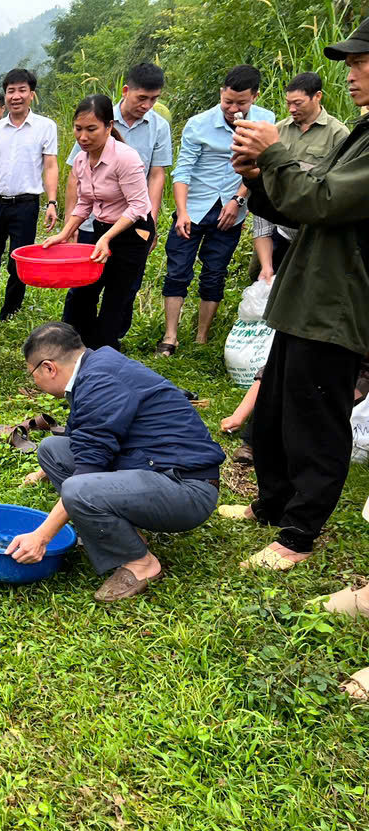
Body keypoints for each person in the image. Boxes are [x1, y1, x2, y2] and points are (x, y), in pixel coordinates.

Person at [222, 20, 369, 570]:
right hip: (306, 291)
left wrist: (277, 152)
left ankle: (299, 534)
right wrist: (260, 178)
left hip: (337, 303)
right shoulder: (361, 131)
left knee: (315, 420)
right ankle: (273, 504)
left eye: (359, 62)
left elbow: (324, 201)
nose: (350, 73)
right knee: (280, 409)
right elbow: (299, 206)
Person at [8, 324, 224, 601]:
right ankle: (121, 535)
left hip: (186, 488)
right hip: (149, 466)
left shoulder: (100, 383)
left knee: (78, 489)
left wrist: (40, 537)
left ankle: (141, 563)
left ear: (49, 368)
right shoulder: (95, 367)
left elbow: (87, 472)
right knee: (52, 449)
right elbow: (86, 439)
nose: (34, 382)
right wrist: (44, 471)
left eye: (32, 373)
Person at [158, 65, 276, 355]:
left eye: (241, 103)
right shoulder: (199, 124)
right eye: (228, 101)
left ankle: (201, 337)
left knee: (215, 272)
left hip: (233, 211)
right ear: (221, 93)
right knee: (178, 271)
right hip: (195, 207)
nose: (233, 108)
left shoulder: (266, 122)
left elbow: (260, 168)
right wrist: (182, 212)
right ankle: (170, 336)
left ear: (255, 97)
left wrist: (237, 200)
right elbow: (183, 170)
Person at [43, 95, 156, 350]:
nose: (83, 137)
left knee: (115, 296)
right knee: (82, 291)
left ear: (108, 126)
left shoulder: (125, 158)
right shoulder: (82, 160)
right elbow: (85, 203)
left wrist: (106, 238)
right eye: (78, 128)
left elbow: (138, 205)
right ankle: (71, 348)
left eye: (91, 129)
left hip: (132, 232)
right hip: (102, 228)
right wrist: (65, 233)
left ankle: (104, 353)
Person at [62, 62, 172, 316]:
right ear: (125, 90)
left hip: (131, 220)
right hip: (93, 222)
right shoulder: (95, 116)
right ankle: (78, 339)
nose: (146, 105)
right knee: (83, 287)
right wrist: (70, 225)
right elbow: (76, 178)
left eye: (153, 99)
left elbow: (156, 176)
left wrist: (150, 221)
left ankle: (110, 341)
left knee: (123, 289)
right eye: (141, 98)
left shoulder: (158, 127)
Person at [249, 72, 350, 281]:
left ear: (318, 96)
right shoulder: (279, 129)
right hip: (277, 223)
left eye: (298, 103)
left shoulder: (338, 134)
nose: (292, 109)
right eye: (288, 103)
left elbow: (337, 184)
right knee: (267, 280)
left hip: (311, 227)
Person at [0, 68, 60, 320]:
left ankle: (10, 312)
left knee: (19, 261)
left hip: (26, 204)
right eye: (11, 91)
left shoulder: (45, 127)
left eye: (21, 90)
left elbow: (50, 165)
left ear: (31, 95)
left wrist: (52, 201)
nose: (16, 96)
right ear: (5, 96)